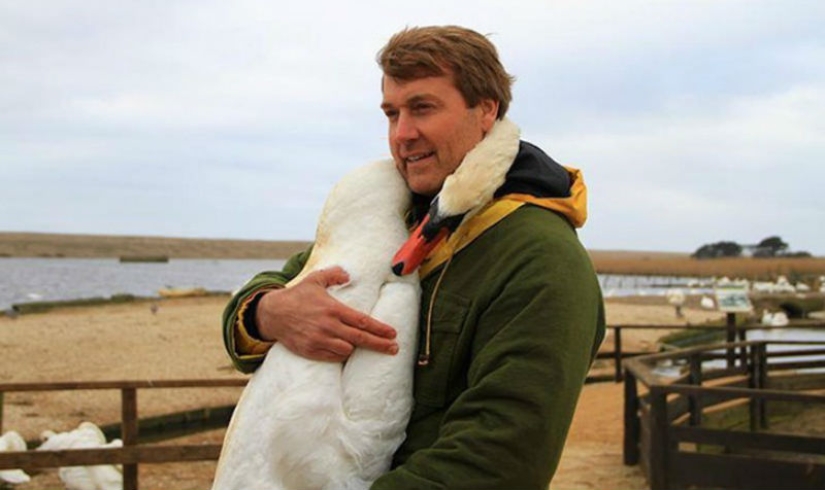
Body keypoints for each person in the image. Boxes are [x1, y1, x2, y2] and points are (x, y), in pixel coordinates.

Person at [222, 25, 605, 489]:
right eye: (391, 114)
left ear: (486, 110)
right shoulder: (401, 215)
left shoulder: (541, 259)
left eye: (422, 108)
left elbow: (500, 459)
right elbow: (275, 284)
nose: (402, 134)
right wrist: (267, 311)